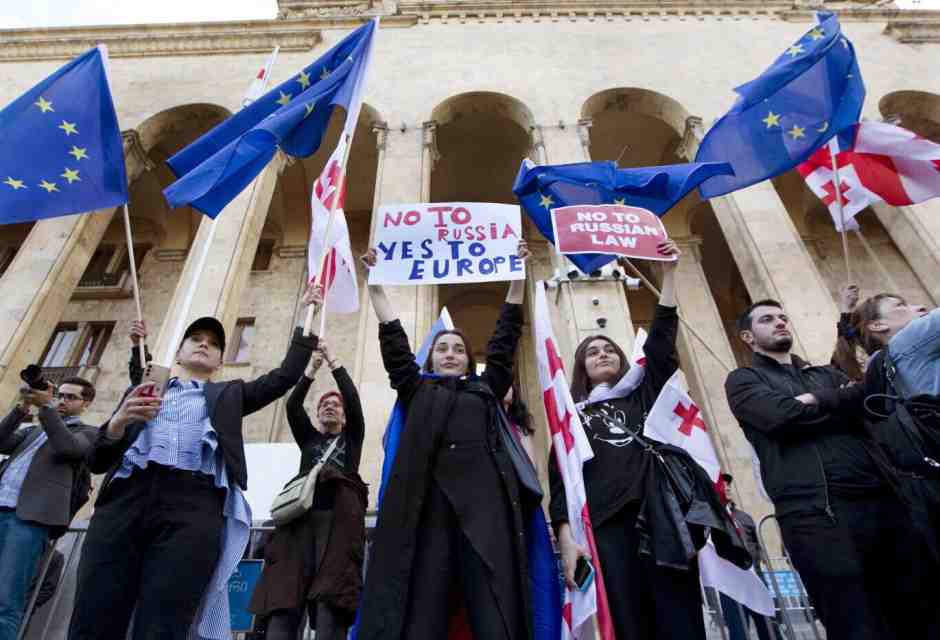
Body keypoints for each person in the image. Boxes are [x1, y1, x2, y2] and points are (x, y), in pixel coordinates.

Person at [67, 285, 322, 640]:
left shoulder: (230, 395)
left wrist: (306, 320)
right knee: (95, 611)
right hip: (125, 501)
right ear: (179, 352)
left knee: (166, 619)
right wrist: (116, 424)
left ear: (219, 361)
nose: (204, 344)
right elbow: (96, 461)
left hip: (194, 507)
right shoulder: (143, 392)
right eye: (196, 338)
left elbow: (282, 378)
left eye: (214, 343)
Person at [552, 241, 748, 640]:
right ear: (581, 369)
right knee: (629, 621)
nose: (602, 353)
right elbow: (559, 480)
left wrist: (669, 275)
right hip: (606, 523)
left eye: (609, 349)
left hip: (661, 516)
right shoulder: (571, 416)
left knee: (679, 617)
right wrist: (567, 540)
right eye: (592, 352)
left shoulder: (643, 394)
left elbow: (661, 346)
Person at [356, 242, 539, 640]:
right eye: (443, 348)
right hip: (428, 511)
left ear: (469, 360)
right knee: (424, 612)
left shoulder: (485, 389)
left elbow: (505, 339)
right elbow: (395, 345)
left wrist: (517, 279)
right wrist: (376, 288)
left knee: (493, 610)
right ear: (431, 359)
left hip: (486, 509)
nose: (451, 353)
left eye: (459, 349)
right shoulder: (417, 389)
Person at [725, 299, 937, 640]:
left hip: (884, 503)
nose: (780, 323)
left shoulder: (824, 373)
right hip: (816, 517)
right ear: (749, 338)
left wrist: (818, 400)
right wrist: (837, 401)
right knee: (853, 622)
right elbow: (778, 417)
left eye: (783, 316)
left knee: (921, 613)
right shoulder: (743, 380)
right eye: (768, 320)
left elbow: (867, 397)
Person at [248, 339, 367, 640]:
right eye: (324, 404)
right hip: (299, 524)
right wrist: (311, 370)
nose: (330, 406)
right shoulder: (310, 440)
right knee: (285, 600)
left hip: (338, 527)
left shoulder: (351, 440)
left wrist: (334, 363)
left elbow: (352, 400)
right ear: (317, 416)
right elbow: (292, 404)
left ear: (343, 417)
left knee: (331, 601)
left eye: (335, 405)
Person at [0, 376, 97, 640]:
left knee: (6, 599)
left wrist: (46, 409)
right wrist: (21, 408)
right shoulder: (32, 430)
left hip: (29, 520)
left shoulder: (87, 432)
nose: (62, 400)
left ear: (85, 403)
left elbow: (69, 448)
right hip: (1, 507)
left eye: (70, 397)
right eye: (60, 395)